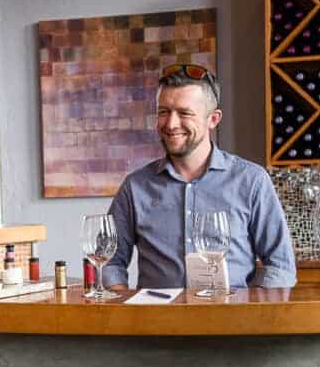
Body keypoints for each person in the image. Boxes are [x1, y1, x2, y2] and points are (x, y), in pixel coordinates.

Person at [102, 65, 296, 290]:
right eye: (163, 111)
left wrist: (250, 313)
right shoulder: (135, 186)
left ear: (213, 119)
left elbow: (280, 266)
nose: (171, 124)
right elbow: (109, 262)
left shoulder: (251, 181)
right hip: (156, 323)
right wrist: (125, 311)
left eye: (184, 113)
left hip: (232, 321)